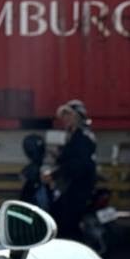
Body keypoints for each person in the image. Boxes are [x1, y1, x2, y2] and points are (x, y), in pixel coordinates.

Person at [45, 99, 97, 242]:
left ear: (78, 117)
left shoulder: (83, 136)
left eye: (69, 115)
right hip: (69, 185)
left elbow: (77, 164)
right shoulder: (73, 135)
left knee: (68, 224)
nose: (66, 118)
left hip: (79, 187)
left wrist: (54, 174)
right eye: (64, 115)